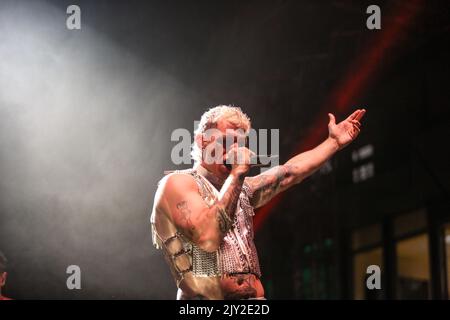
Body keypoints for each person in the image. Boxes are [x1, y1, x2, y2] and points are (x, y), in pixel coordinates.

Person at [150, 105, 366, 299]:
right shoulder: (177, 183)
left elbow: (290, 173)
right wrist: (237, 175)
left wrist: (333, 143)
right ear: (202, 140)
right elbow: (207, 236)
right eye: (225, 142)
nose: (233, 151)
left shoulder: (242, 188)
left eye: (238, 145)